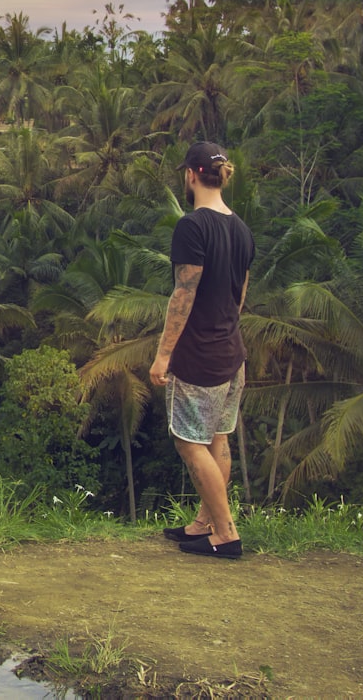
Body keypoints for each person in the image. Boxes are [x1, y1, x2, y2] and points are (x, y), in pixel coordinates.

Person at [149, 141, 254, 559]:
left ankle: (226, 533)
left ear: (191, 175)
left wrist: (163, 354)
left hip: (200, 356)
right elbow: (239, 296)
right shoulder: (241, 228)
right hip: (232, 352)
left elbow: (183, 294)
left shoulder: (193, 226)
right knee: (217, 440)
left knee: (189, 443)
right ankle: (204, 525)